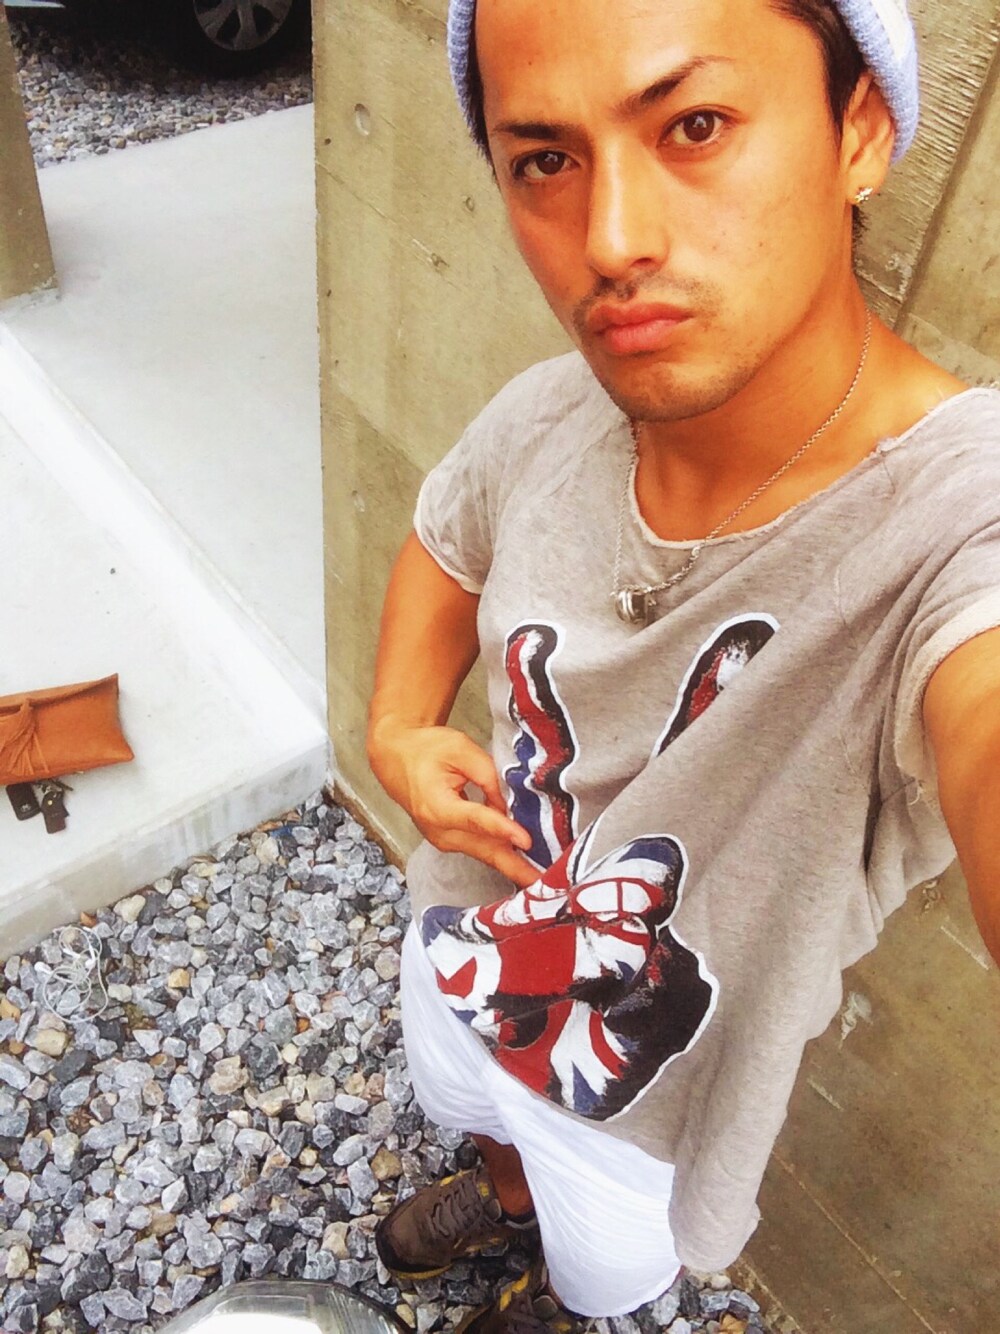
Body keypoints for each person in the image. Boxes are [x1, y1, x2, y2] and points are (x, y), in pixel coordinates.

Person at [365, 0, 1000, 1328]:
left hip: (642, 1102)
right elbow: (443, 539)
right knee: (474, 1103)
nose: (611, 240)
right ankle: (503, 1188)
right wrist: (396, 728)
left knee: (600, 1268)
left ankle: (557, 1286)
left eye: (695, 125)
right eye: (545, 158)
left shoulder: (951, 522)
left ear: (861, 131)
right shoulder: (547, 414)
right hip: (467, 940)